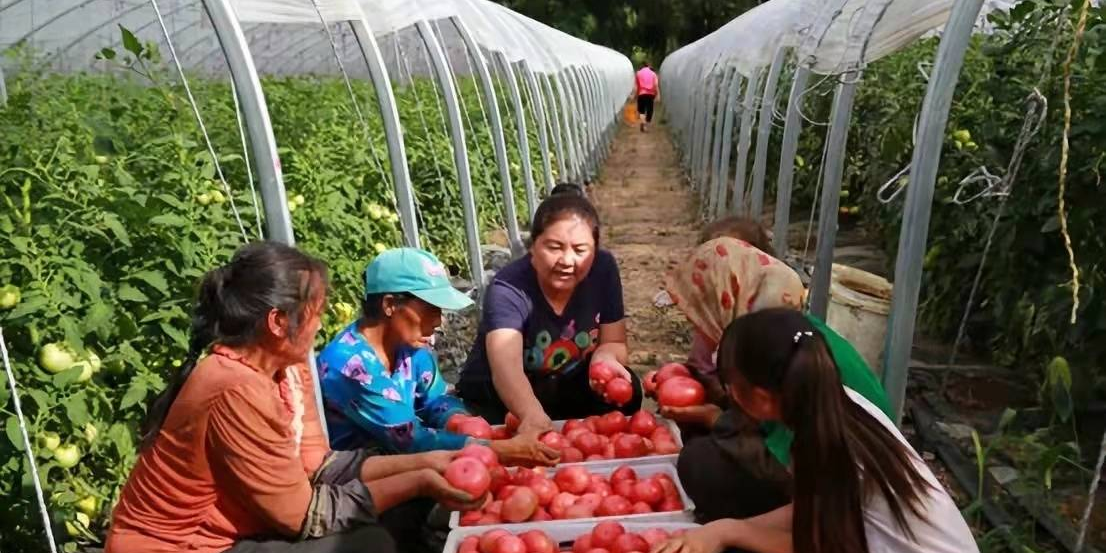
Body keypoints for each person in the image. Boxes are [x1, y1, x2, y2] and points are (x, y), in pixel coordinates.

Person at [106, 242, 482, 553]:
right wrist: (418, 480)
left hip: (236, 532)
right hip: (180, 546)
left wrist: (428, 463)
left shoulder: (289, 367)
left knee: (397, 517)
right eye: (315, 312)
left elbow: (320, 466)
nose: (321, 324)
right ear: (277, 322)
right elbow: (305, 516)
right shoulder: (234, 386)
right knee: (370, 544)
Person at [651, 309, 978, 553]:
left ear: (762, 398)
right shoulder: (842, 407)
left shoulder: (828, 446)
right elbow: (810, 512)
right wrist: (725, 529)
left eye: (730, 388)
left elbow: (818, 545)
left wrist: (730, 534)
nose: (729, 398)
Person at [661, 235, 892, 522]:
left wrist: (716, 420)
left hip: (846, 490)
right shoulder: (789, 331)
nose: (699, 327)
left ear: (727, 297)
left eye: (701, 311)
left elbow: (782, 462)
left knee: (700, 463)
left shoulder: (771, 352)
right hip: (847, 471)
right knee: (706, 447)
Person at [317, 247, 558, 466]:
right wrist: (498, 449)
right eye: (430, 309)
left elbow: (436, 398)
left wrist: (456, 418)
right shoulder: (350, 365)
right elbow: (410, 440)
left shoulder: (410, 348)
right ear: (390, 304)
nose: (438, 321)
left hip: (410, 468)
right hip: (365, 486)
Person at [457, 188, 639, 435]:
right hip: (501, 394)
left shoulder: (603, 270)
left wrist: (604, 359)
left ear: (595, 250)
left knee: (628, 391)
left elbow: (614, 340)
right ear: (533, 246)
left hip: (563, 383)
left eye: (580, 250)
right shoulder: (508, 287)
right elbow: (507, 370)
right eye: (554, 247)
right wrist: (532, 416)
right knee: (490, 429)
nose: (567, 260)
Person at [635, 62, 659, 132]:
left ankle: (643, 122)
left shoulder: (638, 73)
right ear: (648, 66)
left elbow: (637, 87)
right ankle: (646, 126)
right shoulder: (653, 74)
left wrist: (635, 95)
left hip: (641, 94)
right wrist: (658, 95)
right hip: (650, 95)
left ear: (642, 67)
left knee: (641, 111)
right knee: (649, 110)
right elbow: (655, 85)